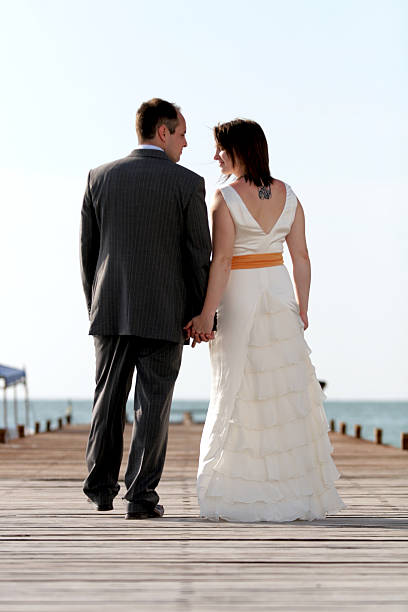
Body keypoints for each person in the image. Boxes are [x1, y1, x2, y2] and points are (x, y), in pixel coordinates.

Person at [186, 119, 346, 522]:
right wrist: (303, 307)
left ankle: (235, 488)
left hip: (238, 292)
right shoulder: (289, 195)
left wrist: (206, 314)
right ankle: (290, 489)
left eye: (220, 148)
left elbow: (221, 260)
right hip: (278, 291)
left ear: (237, 149)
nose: (215, 156)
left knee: (236, 384)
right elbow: (302, 258)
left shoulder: (224, 197)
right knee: (282, 389)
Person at [80, 98, 212, 519]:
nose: (186, 142)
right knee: (153, 405)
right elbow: (198, 255)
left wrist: (95, 305)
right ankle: (140, 497)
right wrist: (200, 313)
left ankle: (100, 488)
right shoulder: (187, 184)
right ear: (163, 132)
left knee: (107, 400)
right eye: (182, 133)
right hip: (164, 312)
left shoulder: (99, 177)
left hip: (110, 309)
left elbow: (88, 251)